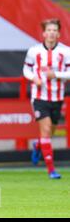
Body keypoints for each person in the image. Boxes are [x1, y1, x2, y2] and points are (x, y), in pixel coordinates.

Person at [23, 18, 69, 179]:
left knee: (50, 132)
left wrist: (56, 74)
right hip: (39, 97)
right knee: (47, 129)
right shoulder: (34, 51)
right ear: (44, 33)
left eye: (54, 30)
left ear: (58, 34)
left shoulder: (65, 52)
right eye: (49, 30)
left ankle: (38, 144)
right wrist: (34, 78)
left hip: (57, 97)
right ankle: (51, 170)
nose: (51, 33)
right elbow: (26, 70)